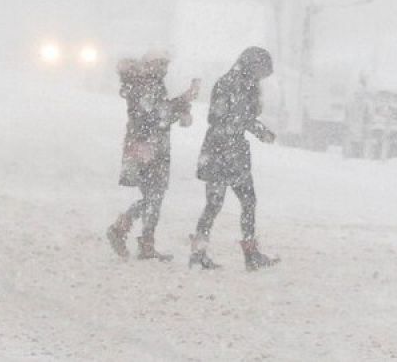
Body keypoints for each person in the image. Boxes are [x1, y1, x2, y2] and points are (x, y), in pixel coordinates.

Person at [189, 46, 279, 271]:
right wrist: (260, 131)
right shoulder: (235, 84)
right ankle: (248, 253)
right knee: (240, 202)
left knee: (217, 204)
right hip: (226, 151)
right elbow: (237, 118)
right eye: (261, 70)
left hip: (223, 150)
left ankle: (200, 252)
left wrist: (254, 128)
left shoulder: (236, 82)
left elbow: (237, 117)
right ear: (252, 65)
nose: (261, 77)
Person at [106, 51, 196, 262]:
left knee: (153, 196)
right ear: (151, 65)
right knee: (153, 195)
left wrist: (181, 103)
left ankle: (144, 242)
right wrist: (182, 103)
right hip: (149, 147)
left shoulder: (147, 85)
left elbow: (158, 112)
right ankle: (123, 230)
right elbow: (156, 117)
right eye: (161, 64)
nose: (164, 69)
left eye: (165, 65)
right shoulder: (148, 85)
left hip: (148, 146)